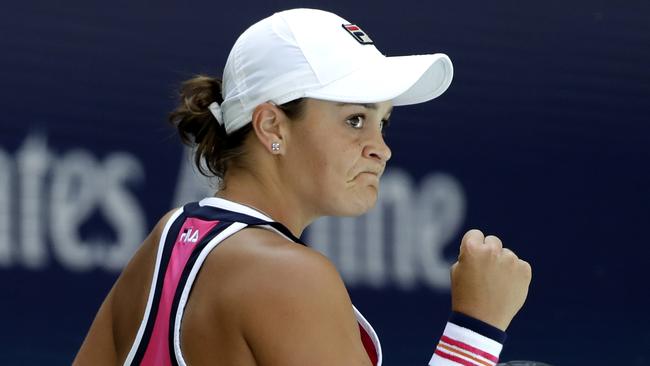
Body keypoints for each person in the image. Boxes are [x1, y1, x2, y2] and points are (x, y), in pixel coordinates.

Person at [74, 8, 531, 366]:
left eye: (383, 123)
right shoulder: (290, 275)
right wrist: (477, 327)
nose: (381, 149)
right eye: (355, 119)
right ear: (272, 125)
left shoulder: (167, 238)